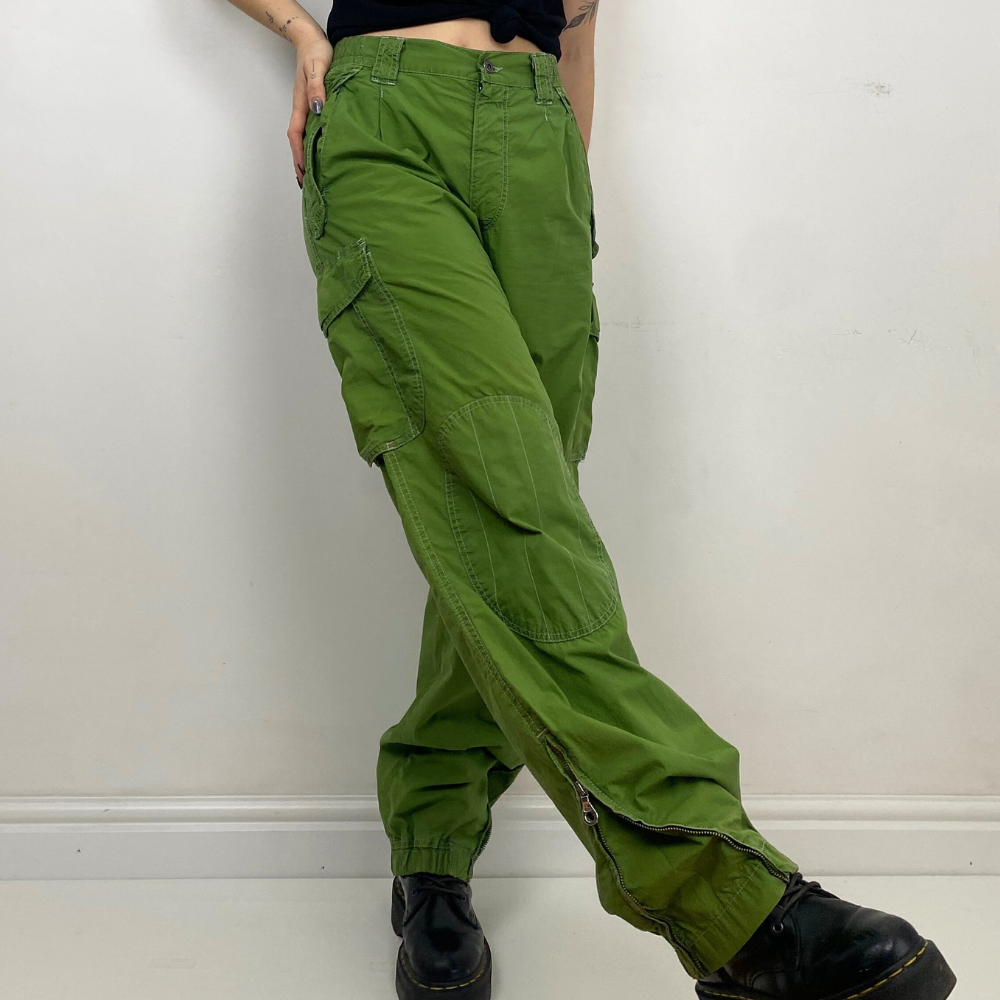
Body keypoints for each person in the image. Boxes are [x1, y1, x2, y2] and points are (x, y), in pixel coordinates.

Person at [222, 2, 958, 998]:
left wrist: (566, 186)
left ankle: (431, 846)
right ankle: (734, 904)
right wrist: (298, 31)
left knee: (521, 506)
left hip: (541, 145)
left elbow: (582, 26)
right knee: (505, 495)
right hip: (388, 122)